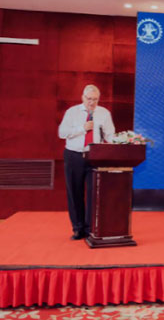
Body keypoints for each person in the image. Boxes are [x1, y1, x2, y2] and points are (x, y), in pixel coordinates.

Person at [58, 84, 115, 240]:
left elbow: (110, 135)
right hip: (74, 155)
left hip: (95, 156)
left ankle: (91, 228)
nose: (92, 102)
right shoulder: (72, 112)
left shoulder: (104, 113)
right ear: (83, 98)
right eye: (89, 99)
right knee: (74, 192)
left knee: (94, 193)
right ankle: (78, 228)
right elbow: (62, 133)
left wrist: (121, 142)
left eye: (95, 99)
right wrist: (82, 128)